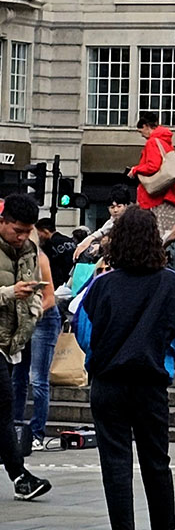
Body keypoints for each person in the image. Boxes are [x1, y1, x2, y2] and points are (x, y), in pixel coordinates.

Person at [74, 205, 175, 530]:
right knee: (157, 463)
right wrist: (163, 356)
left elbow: (84, 332)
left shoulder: (102, 284)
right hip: (150, 383)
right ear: (155, 240)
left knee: (115, 464)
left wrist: (100, 356)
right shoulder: (170, 283)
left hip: (109, 383)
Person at [0, 192, 51, 502]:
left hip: (10, 343)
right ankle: (20, 476)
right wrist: (8, 293)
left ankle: (20, 477)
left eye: (27, 231)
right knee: (4, 406)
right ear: (3, 221)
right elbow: (13, 291)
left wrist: (34, 310)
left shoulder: (30, 250)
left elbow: (35, 290)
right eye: (16, 230)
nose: (21, 237)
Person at [12, 246, 59, 453]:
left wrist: (33, 313)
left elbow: (50, 297)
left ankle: (37, 433)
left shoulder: (40, 259)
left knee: (38, 378)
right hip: (22, 319)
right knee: (17, 376)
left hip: (44, 318)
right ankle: (14, 430)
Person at [128, 111, 175, 238]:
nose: (142, 135)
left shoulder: (152, 142)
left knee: (156, 233)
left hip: (157, 198)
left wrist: (136, 169)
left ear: (147, 126)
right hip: (169, 194)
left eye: (141, 131)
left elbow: (153, 166)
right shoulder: (165, 140)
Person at [72, 186, 133, 261]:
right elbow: (102, 231)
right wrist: (87, 241)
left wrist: (100, 246)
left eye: (119, 206)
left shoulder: (133, 219)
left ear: (126, 206)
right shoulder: (112, 221)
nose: (115, 210)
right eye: (112, 207)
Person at [35, 219, 74, 289]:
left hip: (59, 283)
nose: (38, 237)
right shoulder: (69, 241)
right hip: (72, 280)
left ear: (45, 231)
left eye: (38, 234)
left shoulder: (49, 245)